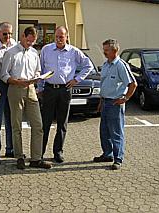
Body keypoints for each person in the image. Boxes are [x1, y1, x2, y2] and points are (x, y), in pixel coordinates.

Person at [39, 26, 93, 163]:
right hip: (49, 89)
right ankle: (39, 153)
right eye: (56, 36)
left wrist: (77, 79)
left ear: (66, 37)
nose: (58, 39)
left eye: (61, 37)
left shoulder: (73, 51)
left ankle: (58, 152)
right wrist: (40, 88)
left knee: (62, 123)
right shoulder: (46, 50)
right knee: (45, 123)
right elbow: (40, 69)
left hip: (65, 90)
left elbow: (88, 65)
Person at [0, 26, 52, 170]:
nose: (30, 44)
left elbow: (38, 70)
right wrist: (16, 81)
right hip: (15, 88)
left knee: (38, 124)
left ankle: (36, 158)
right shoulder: (10, 53)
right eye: (28, 41)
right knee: (16, 125)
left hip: (31, 89)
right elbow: (4, 74)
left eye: (32, 42)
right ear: (23, 36)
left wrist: (37, 77)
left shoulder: (34, 53)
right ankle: (19, 156)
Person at [93, 39, 137, 170]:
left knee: (116, 132)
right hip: (106, 102)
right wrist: (101, 102)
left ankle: (118, 158)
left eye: (106, 50)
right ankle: (107, 154)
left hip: (115, 103)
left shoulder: (121, 65)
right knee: (104, 131)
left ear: (115, 51)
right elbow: (104, 84)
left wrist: (125, 98)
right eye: (104, 50)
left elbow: (133, 84)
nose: (104, 52)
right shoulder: (106, 64)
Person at [0, 22, 17, 165]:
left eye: (10, 33)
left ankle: (10, 148)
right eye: (5, 34)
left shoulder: (14, 44)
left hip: (12, 84)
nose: (8, 36)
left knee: (12, 119)